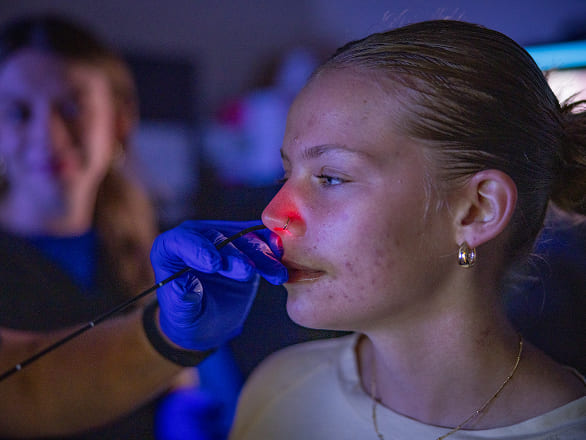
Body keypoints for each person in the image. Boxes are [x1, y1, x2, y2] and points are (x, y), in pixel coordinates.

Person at [149, 20, 586, 439]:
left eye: (331, 177)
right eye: (287, 176)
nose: (271, 214)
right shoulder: (281, 390)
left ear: (476, 211)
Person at [0, 15, 212, 439]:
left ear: (119, 120)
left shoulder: (151, 245)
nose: (47, 134)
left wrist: (184, 402)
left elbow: (183, 378)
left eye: (72, 107)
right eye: (19, 112)